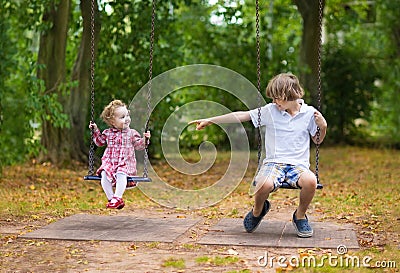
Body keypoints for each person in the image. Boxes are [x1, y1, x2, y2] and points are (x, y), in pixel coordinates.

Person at [189, 73, 327, 237]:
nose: (274, 102)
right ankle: (257, 211)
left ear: (288, 95)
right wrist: (211, 120)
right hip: (273, 164)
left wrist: (322, 126)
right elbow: (242, 115)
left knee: (311, 181)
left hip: (298, 166)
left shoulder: (310, 113)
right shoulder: (271, 111)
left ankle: (300, 216)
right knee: (263, 184)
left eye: (277, 98)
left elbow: (317, 140)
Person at [89, 99, 151, 209]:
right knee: (104, 174)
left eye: (127, 115)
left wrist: (145, 140)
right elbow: (99, 142)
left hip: (125, 164)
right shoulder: (107, 133)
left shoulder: (132, 133)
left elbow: (139, 145)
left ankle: (117, 197)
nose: (127, 119)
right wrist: (95, 131)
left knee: (121, 173)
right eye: (122, 117)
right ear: (113, 122)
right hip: (110, 163)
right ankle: (111, 198)